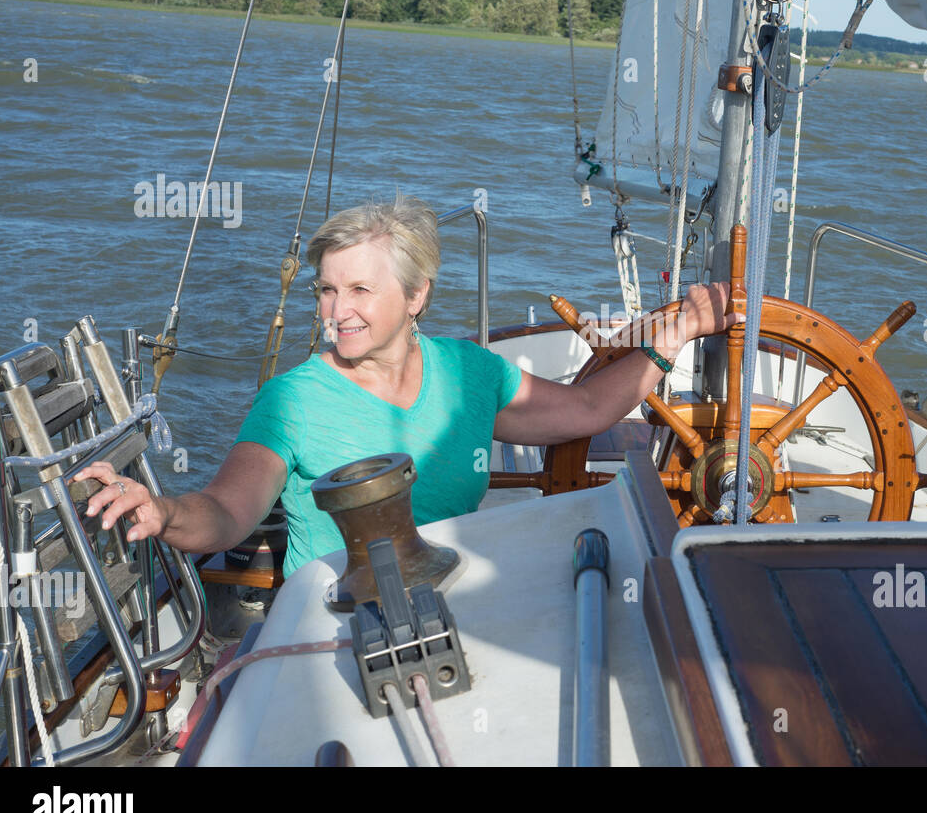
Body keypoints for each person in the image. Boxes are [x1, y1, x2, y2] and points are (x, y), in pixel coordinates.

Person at [74, 194, 740, 576]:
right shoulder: (293, 399)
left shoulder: (471, 373)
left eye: (361, 289)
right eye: (327, 291)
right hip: (330, 623)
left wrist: (667, 337)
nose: (338, 311)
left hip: (457, 598)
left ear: (417, 294)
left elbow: (589, 406)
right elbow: (229, 512)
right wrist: (164, 511)